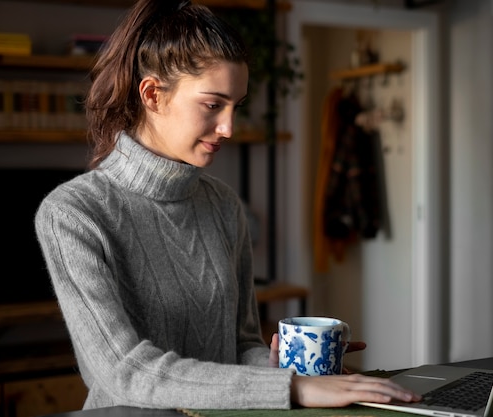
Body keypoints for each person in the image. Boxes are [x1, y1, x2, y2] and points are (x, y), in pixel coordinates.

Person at [34, 0, 421, 411]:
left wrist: (288, 368)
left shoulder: (223, 205)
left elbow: (242, 344)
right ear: (152, 94)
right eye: (213, 104)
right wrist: (292, 389)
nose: (229, 128)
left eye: (236, 106)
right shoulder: (73, 214)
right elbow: (125, 370)